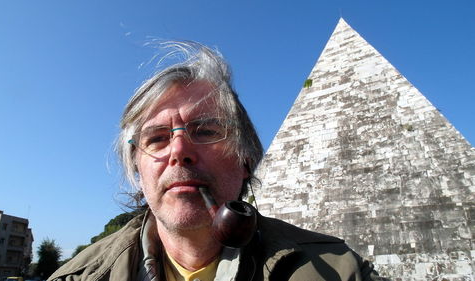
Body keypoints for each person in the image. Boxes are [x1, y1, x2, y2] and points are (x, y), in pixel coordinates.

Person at [48, 42, 386, 281]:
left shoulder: (339, 271)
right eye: (157, 138)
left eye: (206, 130)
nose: (179, 150)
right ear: (138, 171)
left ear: (246, 160)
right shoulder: (77, 278)